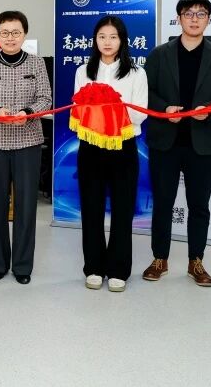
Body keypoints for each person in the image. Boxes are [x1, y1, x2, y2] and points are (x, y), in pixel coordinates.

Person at [143, 0, 211, 287]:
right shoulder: (159, 54)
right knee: (163, 203)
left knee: (199, 205)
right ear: (179, 18)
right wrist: (164, 109)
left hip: (203, 143)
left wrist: (209, 109)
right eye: (189, 13)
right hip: (165, 141)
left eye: (201, 14)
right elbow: (147, 91)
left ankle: (196, 260)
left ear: (208, 19)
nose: (195, 19)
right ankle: (160, 258)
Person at [0, 10, 52, 284]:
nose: (10, 38)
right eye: (4, 33)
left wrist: (27, 113)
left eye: (16, 32)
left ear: (24, 35)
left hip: (28, 141)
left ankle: (22, 266)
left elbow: (45, 98)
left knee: (26, 206)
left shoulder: (37, 63)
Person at [73, 16, 148, 292]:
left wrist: (108, 107)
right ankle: (93, 267)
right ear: (95, 40)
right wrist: (103, 111)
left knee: (122, 208)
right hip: (90, 145)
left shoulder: (137, 73)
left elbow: (140, 113)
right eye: (102, 36)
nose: (107, 42)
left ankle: (118, 269)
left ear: (122, 40)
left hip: (123, 145)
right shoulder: (83, 71)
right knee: (91, 207)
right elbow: (78, 108)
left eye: (113, 37)